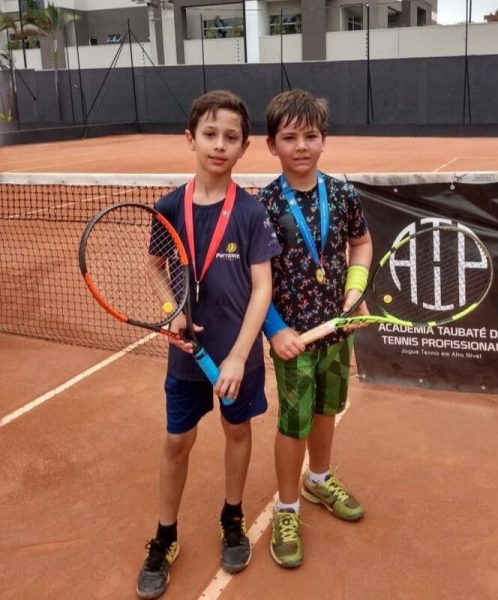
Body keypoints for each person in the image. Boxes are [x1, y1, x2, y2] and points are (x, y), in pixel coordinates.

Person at [136, 90, 281, 599]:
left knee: (236, 430)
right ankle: (165, 535)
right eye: (210, 134)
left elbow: (262, 288)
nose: (219, 145)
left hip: (238, 355)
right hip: (186, 358)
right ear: (191, 139)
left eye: (231, 137)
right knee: (177, 441)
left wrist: (239, 355)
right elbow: (155, 267)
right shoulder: (168, 207)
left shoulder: (251, 212)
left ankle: (232, 516)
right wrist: (170, 308)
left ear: (244, 147)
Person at [257, 88, 373, 568]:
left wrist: (356, 290)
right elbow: (254, 281)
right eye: (289, 138)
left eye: (310, 136)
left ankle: (319, 479)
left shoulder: (342, 194)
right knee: (293, 422)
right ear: (272, 145)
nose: (301, 146)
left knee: (327, 409)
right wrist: (274, 329)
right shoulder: (263, 205)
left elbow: (361, 243)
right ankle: (287, 508)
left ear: (324, 139)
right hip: (293, 341)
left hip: (337, 332)